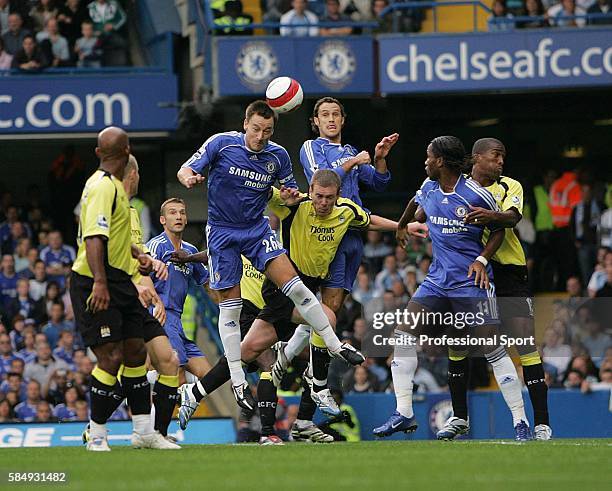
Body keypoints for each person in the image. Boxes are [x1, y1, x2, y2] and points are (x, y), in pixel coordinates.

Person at [177, 171, 416, 443]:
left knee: (246, 351)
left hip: (304, 289)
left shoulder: (347, 211)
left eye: (329, 197)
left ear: (338, 195)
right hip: (283, 287)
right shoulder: (294, 204)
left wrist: (400, 225)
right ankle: (319, 387)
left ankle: (195, 392)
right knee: (326, 317)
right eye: (318, 196)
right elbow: (264, 193)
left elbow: (368, 220)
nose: (323, 202)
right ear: (310, 190)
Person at [177, 101, 363, 410]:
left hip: (257, 231)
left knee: (299, 289)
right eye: (255, 129)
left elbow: (290, 194)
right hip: (223, 233)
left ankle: (333, 345)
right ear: (245, 123)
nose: (261, 137)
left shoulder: (277, 156)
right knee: (231, 313)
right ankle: (236, 382)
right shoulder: (222, 143)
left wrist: (290, 197)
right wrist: (188, 178)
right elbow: (187, 168)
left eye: (267, 131)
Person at [376, 136, 531, 441]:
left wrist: (481, 259)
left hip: (469, 283)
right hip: (437, 280)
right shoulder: (430, 187)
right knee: (403, 335)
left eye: (428, 157)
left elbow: (500, 230)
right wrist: (402, 225)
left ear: (441, 162)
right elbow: (415, 203)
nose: (425, 161)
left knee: (492, 349)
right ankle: (404, 412)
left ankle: (520, 421)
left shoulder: (474, 194)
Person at [436, 138, 552, 441]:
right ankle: (459, 417)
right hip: (470, 273)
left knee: (524, 343)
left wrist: (491, 216)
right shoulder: (457, 186)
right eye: (496, 156)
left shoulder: (509, 185)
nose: (501, 162)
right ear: (477, 158)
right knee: (457, 342)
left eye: (503, 157)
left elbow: (513, 218)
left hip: (509, 271)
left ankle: (541, 424)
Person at [70, 126, 166, 451]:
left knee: (137, 350)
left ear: (98, 152)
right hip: (95, 280)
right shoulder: (102, 187)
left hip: (118, 279)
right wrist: (99, 282)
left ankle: (143, 431)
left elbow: (113, 238)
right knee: (110, 356)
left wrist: (138, 256)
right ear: (127, 152)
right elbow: (94, 238)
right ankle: (96, 434)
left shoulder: (113, 189)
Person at [146, 198, 212, 382]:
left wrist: (228, 307)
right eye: (173, 212)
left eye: (182, 212)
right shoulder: (156, 246)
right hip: (161, 316)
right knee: (177, 375)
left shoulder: (190, 251)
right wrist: (154, 305)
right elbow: (142, 279)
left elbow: (206, 282)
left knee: (209, 377)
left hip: (178, 323)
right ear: (162, 220)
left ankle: (149, 384)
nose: (178, 216)